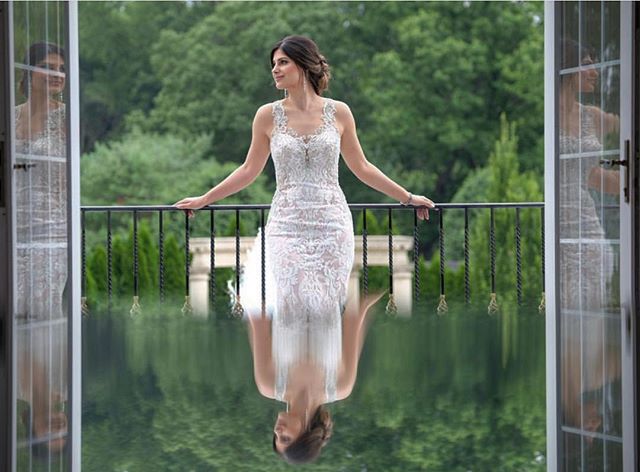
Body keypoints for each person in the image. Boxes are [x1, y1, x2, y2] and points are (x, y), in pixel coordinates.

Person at [174, 35, 434, 462]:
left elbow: (362, 167)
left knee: (316, 300)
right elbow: (248, 169)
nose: (274, 70)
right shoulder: (266, 116)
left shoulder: (340, 113)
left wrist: (408, 197)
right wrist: (205, 199)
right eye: (284, 436)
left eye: (280, 63)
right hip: (288, 224)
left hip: (332, 222)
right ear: (304, 434)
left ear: (303, 65)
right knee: (304, 296)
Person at [247, 292, 384, 464]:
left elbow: (257, 317)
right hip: (331, 279)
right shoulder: (341, 386)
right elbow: (355, 315)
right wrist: (384, 287)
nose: (277, 430)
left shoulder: (268, 383)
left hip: (285, 278)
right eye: (285, 438)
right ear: (306, 435)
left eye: (275, 436)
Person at [14, 41, 69, 459]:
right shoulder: (10, 118)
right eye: (48, 67)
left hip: (51, 234)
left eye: (60, 69)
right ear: (28, 72)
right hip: (11, 232)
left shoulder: (65, 120)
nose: (56, 75)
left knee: (42, 311)